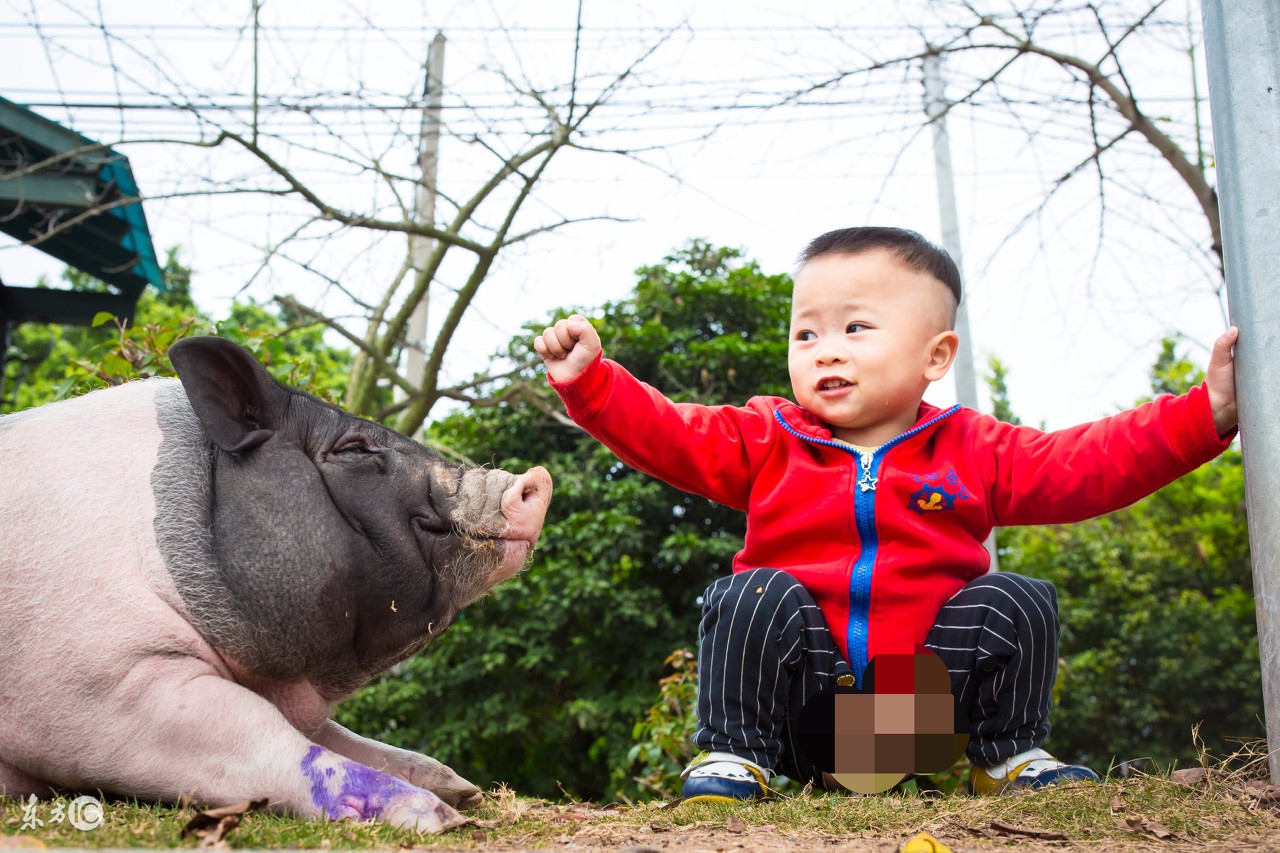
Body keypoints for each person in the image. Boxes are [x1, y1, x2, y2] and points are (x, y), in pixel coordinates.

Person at [533, 227, 1239, 802]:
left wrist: (1202, 415)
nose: (826, 349)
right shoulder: (769, 437)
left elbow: (1085, 463)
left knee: (1017, 597)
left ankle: (1007, 757)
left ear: (936, 355)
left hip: (920, 716)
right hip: (806, 714)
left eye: (856, 327)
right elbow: (673, 434)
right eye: (805, 334)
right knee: (751, 592)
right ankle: (733, 757)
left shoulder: (972, 448)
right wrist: (593, 383)